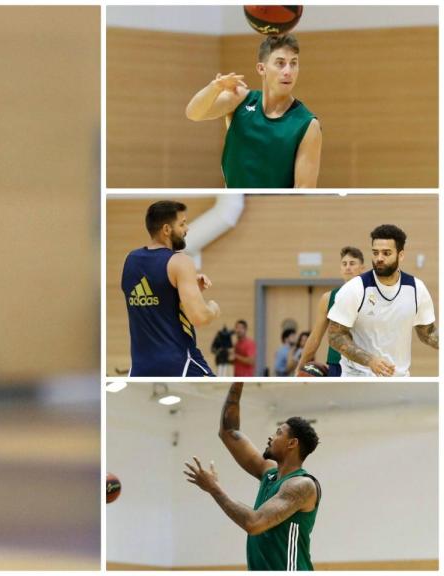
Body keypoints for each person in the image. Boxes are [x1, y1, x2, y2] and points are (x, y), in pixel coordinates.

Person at [184, 383, 321, 571]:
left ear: (292, 443)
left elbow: (254, 523)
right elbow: (229, 432)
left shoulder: (302, 485)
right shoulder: (270, 473)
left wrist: (214, 488)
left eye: (278, 433)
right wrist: (236, 384)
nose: (271, 437)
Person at [185, 34, 321, 188]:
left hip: (275, 210)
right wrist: (215, 87)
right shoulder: (240, 99)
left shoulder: (308, 124)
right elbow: (193, 113)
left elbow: (303, 192)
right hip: (236, 208)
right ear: (261, 68)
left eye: (293, 63)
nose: (288, 71)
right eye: (280, 63)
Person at [121, 200, 220, 376]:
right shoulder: (181, 262)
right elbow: (199, 317)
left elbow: (156, 298)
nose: (187, 229)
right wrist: (213, 307)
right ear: (166, 230)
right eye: (182, 224)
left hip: (139, 368)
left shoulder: (130, 260)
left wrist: (186, 288)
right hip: (179, 364)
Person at [327, 225, 438, 377]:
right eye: (375, 252)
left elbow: (428, 333)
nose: (379, 258)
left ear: (401, 255)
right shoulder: (355, 288)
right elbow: (335, 336)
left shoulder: (416, 288)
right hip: (358, 377)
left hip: (399, 378)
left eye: (386, 253)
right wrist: (370, 360)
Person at [295, 247, 365, 376]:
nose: (348, 267)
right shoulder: (328, 298)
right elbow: (315, 338)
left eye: (352, 263)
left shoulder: (372, 297)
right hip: (336, 364)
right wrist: (300, 366)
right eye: (344, 264)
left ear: (362, 268)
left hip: (365, 364)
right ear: (340, 269)